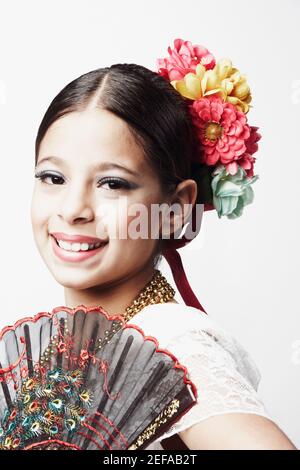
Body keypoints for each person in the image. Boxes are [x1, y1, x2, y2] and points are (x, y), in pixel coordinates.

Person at [30, 47, 296, 450]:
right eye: (52, 177)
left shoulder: (168, 341)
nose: (72, 210)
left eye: (113, 184)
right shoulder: (67, 346)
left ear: (175, 209)